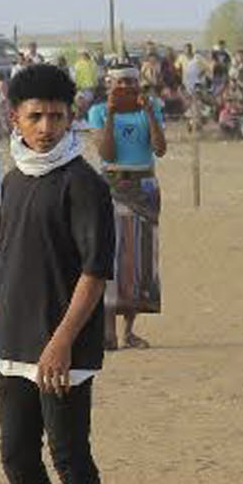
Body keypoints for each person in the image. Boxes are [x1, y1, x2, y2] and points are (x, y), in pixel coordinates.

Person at [0, 63, 114, 484]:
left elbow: (95, 273)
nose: (48, 127)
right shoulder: (12, 181)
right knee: (15, 455)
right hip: (13, 344)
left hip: (64, 350)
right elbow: (7, 265)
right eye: (37, 116)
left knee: (71, 458)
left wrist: (60, 344)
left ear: (70, 117)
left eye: (57, 116)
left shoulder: (83, 184)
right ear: (16, 118)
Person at [86, 64, 167, 351]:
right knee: (113, 257)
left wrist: (148, 113)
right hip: (112, 185)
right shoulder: (97, 111)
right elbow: (107, 152)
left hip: (144, 185)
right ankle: (108, 331)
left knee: (140, 259)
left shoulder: (151, 108)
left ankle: (129, 330)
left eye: (131, 82)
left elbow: (159, 148)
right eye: (119, 83)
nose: (125, 88)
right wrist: (110, 113)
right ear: (109, 84)